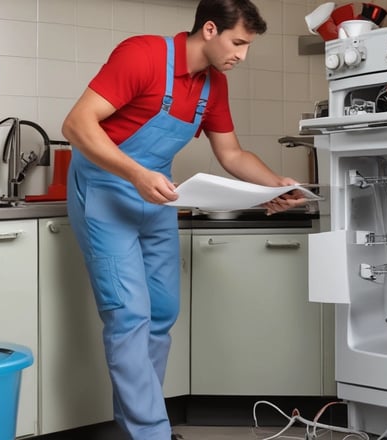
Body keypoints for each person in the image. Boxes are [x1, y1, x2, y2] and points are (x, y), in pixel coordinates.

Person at [61, 1, 305, 439]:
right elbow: (77, 124)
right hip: (106, 189)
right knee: (129, 315)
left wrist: (276, 184)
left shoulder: (213, 85)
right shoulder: (143, 55)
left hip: (158, 197)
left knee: (161, 314)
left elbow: (231, 153)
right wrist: (135, 173)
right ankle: (151, 432)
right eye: (238, 43)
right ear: (209, 29)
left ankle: (139, 424)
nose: (241, 56)